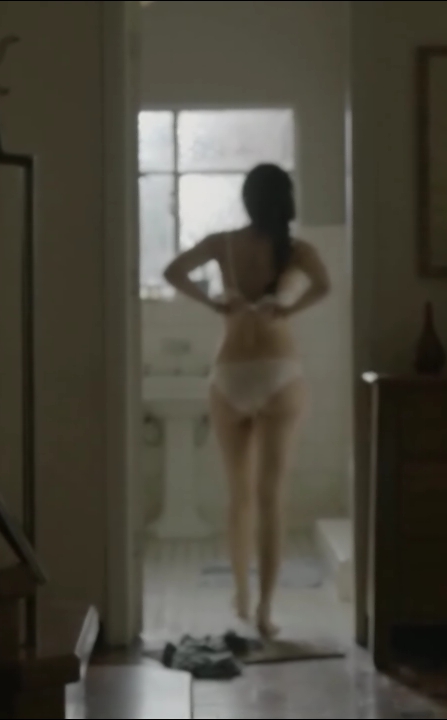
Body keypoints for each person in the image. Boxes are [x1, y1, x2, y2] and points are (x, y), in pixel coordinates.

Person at [161, 163, 331, 639]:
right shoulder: (297, 251)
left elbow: (173, 271)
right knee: (270, 497)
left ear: (248, 200)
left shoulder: (223, 244)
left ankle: (240, 594)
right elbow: (325, 286)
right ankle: (265, 610)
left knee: (239, 497)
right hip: (279, 372)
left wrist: (214, 303)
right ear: (286, 200)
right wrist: (288, 308)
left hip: (230, 373)